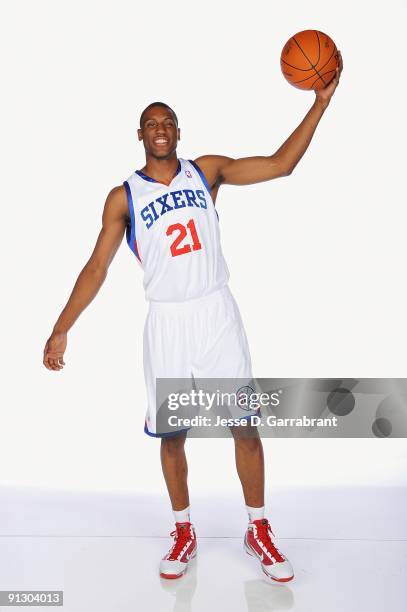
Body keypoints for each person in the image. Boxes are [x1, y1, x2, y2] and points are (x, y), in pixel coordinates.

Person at [43, 52, 343, 583]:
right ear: (140, 134)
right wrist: (62, 326)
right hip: (168, 323)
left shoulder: (207, 172)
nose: (160, 130)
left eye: (168, 122)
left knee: (245, 426)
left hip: (216, 312)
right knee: (173, 435)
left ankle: (258, 527)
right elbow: (96, 267)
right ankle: (183, 529)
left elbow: (280, 164)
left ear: (178, 131)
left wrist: (319, 104)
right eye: (151, 124)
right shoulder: (123, 197)